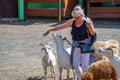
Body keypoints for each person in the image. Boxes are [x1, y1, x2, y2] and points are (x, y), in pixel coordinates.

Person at [43, 5, 96, 80]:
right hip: (76, 45)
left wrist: (90, 26)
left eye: (77, 17)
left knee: (85, 65)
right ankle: (81, 77)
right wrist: (50, 30)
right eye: (74, 17)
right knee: (75, 64)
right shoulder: (73, 21)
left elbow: (93, 33)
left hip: (86, 45)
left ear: (82, 15)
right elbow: (61, 26)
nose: (75, 19)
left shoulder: (87, 22)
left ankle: (84, 78)